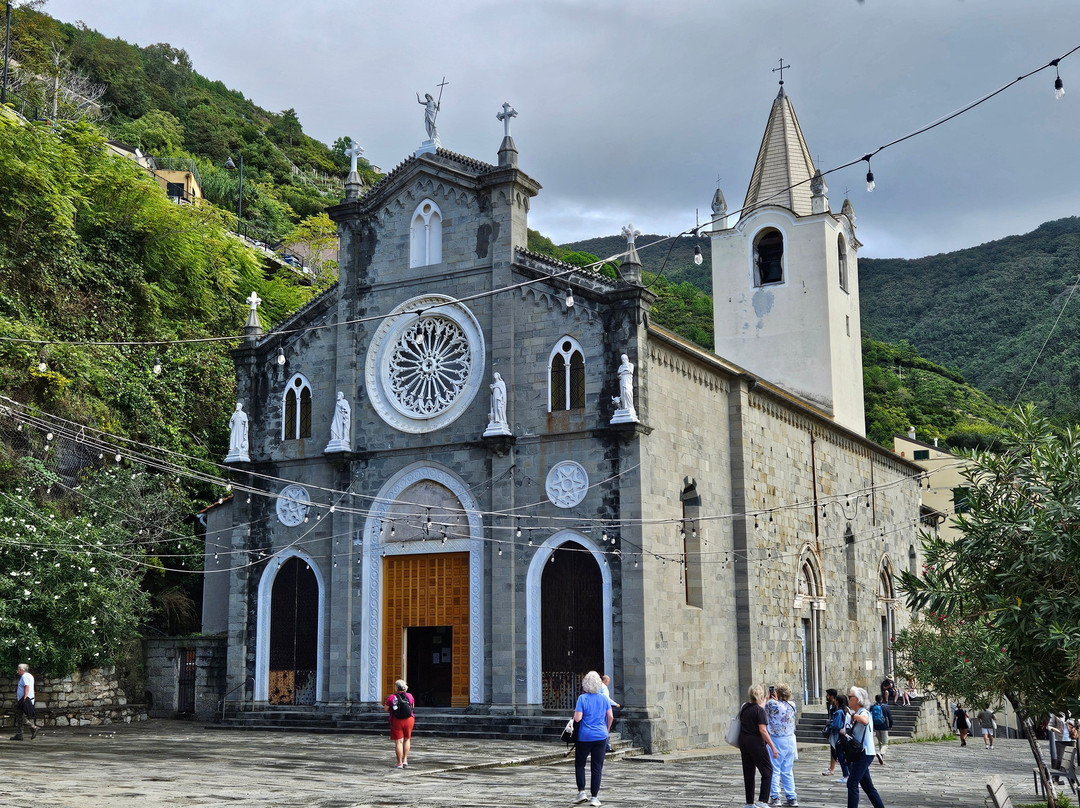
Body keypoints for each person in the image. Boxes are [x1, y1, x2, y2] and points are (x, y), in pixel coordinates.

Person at [572, 670, 613, 807]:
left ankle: (581, 792)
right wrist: (606, 731)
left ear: (585, 684)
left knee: (580, 764)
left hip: (585, 736)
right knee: (597, 767)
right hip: (601, 736)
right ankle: (595, 797)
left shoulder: (582, 699)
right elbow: (610, 717)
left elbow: (578, 718)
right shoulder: (604, 699)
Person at [843, 687, 886, 808]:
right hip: (861, 753)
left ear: (856, 699)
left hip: (864, 753)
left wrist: (854, 716)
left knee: (852, 783)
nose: (848, 699)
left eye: (850, 697)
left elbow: (865, 721)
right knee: (868, 787)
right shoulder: (858, 713)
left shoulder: (863, 712)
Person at [738, 684, 778, 808]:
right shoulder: (760, 711)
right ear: (760, 695)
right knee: (767, 771)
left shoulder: (744, 707)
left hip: (744, 742)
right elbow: (763, 730)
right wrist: (772, 746)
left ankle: (749, 802)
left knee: (749, 772)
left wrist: (765, 699)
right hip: (756, 743)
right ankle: (762, 801)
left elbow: (755, 707)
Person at [765, 682, 799, 807]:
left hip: (777, 739)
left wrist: (768, 698)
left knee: (774, 769)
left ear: (777, 693)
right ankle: (791, 796)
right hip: (790, 739)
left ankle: (775, 796)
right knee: (787, 769)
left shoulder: (771, 704)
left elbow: (764, 708)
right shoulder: (792, 705)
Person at [385, 679, 415, 768]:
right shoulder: (410, 696)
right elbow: (412, 707)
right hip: (409, 719)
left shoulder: (391, 697)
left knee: (398, 742)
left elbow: (385, 709)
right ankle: (405, 760)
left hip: (397, 720)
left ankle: (399, 763)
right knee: (407, 739)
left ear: (396, 687)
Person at [11, 663, 40, 741]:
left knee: (21, 717)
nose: (17, 671)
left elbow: (27, 686)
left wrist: (25, 697)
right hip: (27, 699)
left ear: (21, 670)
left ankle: (34, 727)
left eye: (18, 669)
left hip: (25, 700)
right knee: (20, 716)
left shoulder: (25, 676)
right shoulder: (29, 676)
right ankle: (19, 734)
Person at [829, 693, 852, 783]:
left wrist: (830, 724)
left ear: (837, 701)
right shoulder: (847, 710)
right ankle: (850, 774)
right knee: (846, 756)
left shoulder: (839, 712)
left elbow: (836, 725)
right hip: (847, 734)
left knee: (840, 756)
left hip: (839, 736)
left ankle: (846, 775)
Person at [870, 695, 893, 765]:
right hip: (884, 727)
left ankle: (881, 757)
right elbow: (889, 717)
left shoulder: (872, 707)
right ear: (882, 699)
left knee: (880, 742)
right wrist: (890, 725)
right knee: (885, 743)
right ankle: (881, 753)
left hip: (876, 727)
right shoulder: (885, 706)